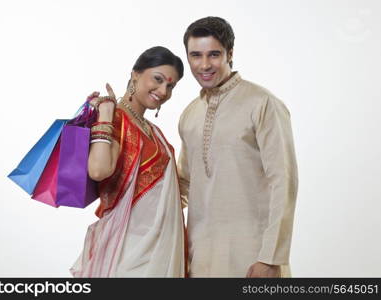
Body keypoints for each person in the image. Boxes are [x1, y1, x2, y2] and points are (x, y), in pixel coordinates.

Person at [177, 17, 298, 278]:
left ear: (230, 54)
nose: (204, 64)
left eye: (214, 54)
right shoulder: (190, 114)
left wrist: (271, 257)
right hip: (200, 258)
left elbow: (283, 181)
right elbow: (183, 184)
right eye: (196, 55)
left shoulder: (262, 104)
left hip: (253, 256)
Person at [70, 46, 186, 277]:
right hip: (127, 252)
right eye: (158, 79)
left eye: (170, 86)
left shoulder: (156, 133)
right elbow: (99, 170)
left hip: (162, 251)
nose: (163, 91)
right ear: (135, 74)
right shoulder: (114, 118)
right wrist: (105, 113)